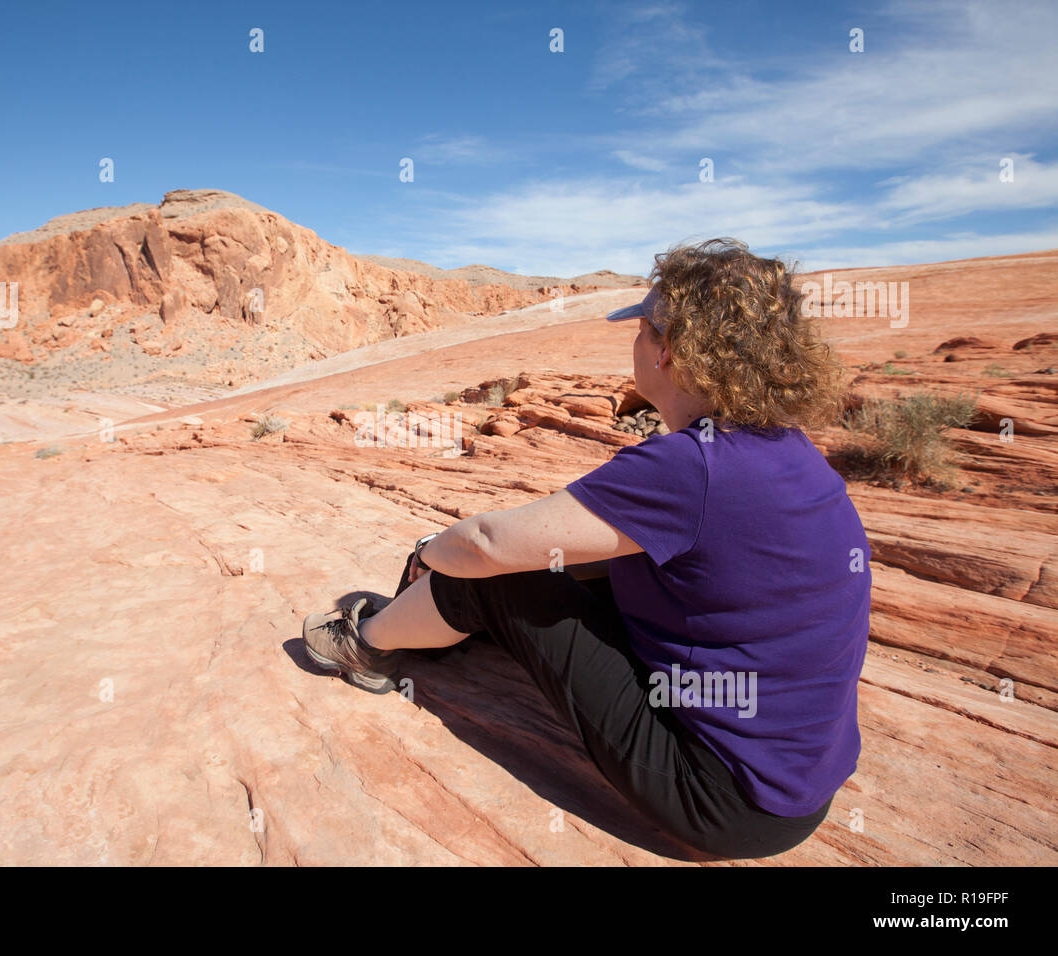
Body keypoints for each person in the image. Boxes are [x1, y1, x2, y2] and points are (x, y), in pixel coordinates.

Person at [302, 238, 871, 859]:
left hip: (722, 798)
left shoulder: (693, 466)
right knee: (574, 564)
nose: (634, 344)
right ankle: (450, 626)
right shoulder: (785, 448)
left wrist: (431, 548)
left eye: (642, 330)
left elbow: (490, 546)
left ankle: (366, 646)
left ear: (670, 349)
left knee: (490, 574)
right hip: (799, 781)